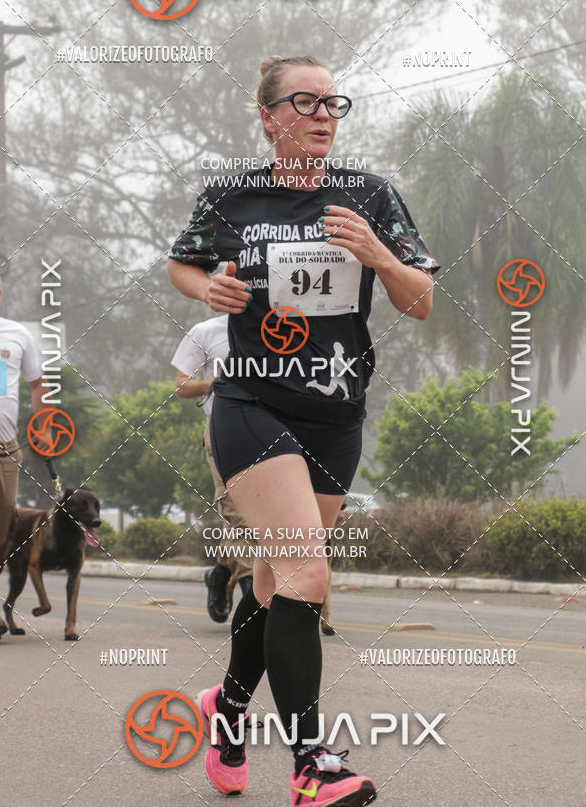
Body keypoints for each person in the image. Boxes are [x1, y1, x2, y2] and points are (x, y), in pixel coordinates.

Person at [167, 55, 439, 806]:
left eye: (333, 103)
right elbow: (181, 264)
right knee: (307, 576)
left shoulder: (369, 195)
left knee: (274, 581)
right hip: (252, 404)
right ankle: (312, 765)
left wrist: (376, 253)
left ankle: (226, 708)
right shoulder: (230, 197)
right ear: (268, 116)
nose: (324, 115)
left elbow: (419, 300)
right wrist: (209, 287)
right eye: (306, 101)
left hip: (336, 415)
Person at [171, 314, 253, 622]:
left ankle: (220, 572)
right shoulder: (206, 331)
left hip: (273, 431)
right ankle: (251, 593)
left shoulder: (281, 328)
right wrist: (214, 383)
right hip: (223, 428)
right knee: (236, 509)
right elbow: (181, 385)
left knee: (259, 513)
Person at [0, 265, 47, 643]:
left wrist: (43, 428)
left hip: (7, 450)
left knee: (3, 528)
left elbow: (37, 384)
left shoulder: (17, 335)